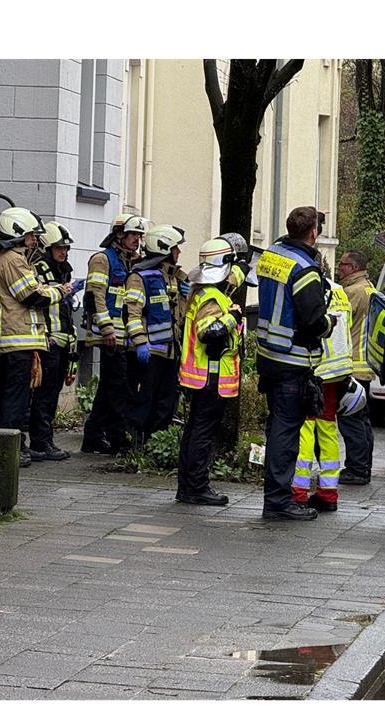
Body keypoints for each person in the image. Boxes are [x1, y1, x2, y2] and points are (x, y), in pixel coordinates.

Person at [255, 206, 335, 521]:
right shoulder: (305, 269)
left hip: (268, 355)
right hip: (292, 359)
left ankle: (276, 498)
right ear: (313, 233)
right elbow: (314, 320)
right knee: (286, 434)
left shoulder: (272, 254)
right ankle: (278, 502)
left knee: (278, 427)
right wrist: (331, 322)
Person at [0, 208, 76, 467]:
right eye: (30, 235)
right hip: (17, 338)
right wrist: (60, 291)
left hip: (18, 338)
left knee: (13, 395)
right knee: (15, 397)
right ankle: (11, 449)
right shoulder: (13, 260)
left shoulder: (11, 258)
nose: (34, 240)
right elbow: (30, 295)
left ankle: (12, 446)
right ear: (18, 234)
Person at [175, 237, 246, 506]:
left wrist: (241, 263)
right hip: (211, 377)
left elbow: (234, 277)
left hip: (201, 377)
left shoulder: (203, 290)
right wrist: (234, 317)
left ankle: (188, 487)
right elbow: (209, 333)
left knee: (195, 431)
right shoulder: (213, 297)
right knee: (202, 434)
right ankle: (197, 487)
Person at [81, 215, 149, 455]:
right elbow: (95, 296)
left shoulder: (130, 262)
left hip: (124, 336)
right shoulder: (103, 259)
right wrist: (108, 328)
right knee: (118, 388)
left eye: (140, 236)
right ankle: (119, 439)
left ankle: (93, 436)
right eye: (133, 235)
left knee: (109, 387)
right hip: (109, 334)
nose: (137, 240)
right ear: (119, 234)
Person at [291, 270, 353, 513]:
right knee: (327, 429)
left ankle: (298, 491)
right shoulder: (339, 291)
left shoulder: (311, 291)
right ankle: (328, 492)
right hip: (337, 370)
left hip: (316, 369)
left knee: (305, 429)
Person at [125, 224, 188, 443]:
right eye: (176, 248)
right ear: (165, 248)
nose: (178, 253)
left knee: (166, 401)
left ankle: (156, 441)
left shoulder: (173, 277)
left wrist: (186, 296)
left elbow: (179, 315)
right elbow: (132, 314)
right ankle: (136, 443)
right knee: (144, 400)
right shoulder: (140, 277)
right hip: (149, 353)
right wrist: (140, 342)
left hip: (170, 352)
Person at [27, 221, 78, 462]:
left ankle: (45, 440)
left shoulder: (62, 269)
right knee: (44, 394)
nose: (63, 252)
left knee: (52, 393)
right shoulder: (39, 268)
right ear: (48, 247)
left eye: (66, 248)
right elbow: (38, 299)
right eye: (59, 248)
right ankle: (40, 441)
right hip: (48, 341)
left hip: (62, 341)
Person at [336, 249, 377, 485]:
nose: (339, 268)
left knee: (351, 421)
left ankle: (357, 468)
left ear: (352, 267)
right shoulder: (369, 287)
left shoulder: (352, 292)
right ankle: (363, 466)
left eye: (342, 264)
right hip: (365, 365)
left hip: (352, 365)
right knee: (362, 419)